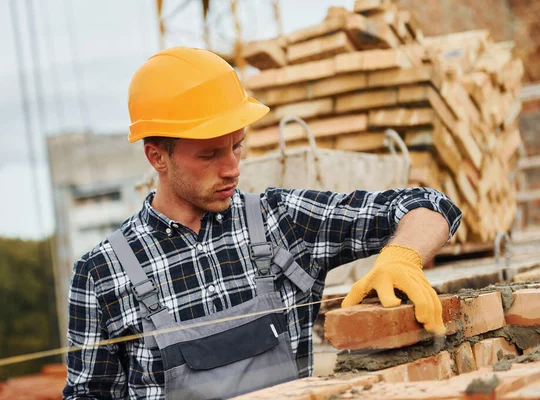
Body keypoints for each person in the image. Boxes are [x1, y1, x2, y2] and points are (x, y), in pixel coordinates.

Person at [63, 46, 462, 400]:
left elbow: (428, 203)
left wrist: (402, 256)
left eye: (237, 146)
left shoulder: (281, 222)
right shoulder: (102, 274)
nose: (233, 168)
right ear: (157, 157)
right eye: (210, 155)